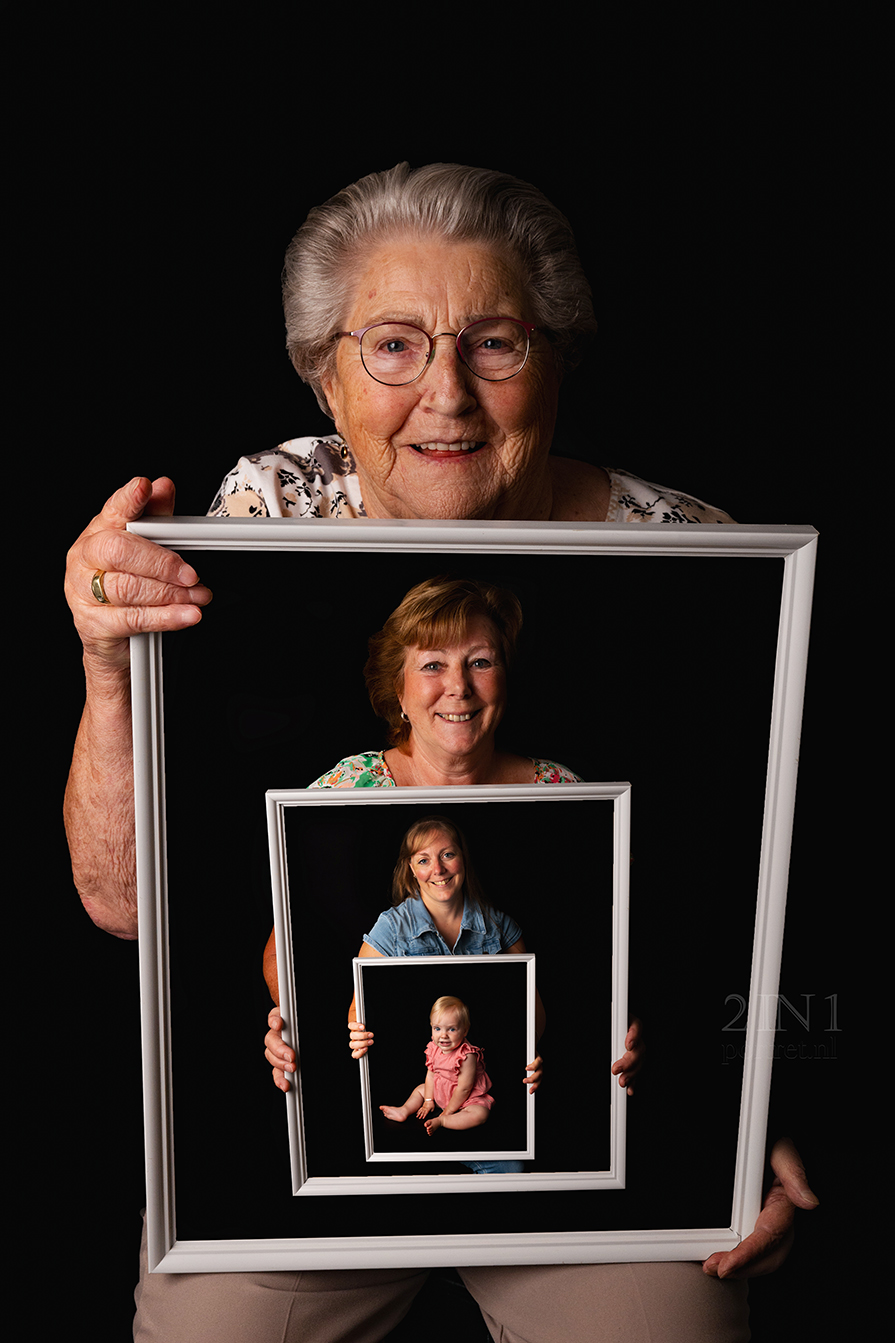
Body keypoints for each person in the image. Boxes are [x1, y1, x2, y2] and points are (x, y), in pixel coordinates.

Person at [62, 162, 816, 1341]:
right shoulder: (257, 517)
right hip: (323, 1143)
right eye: (393, 346)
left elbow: (730, 905)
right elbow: (128, 905)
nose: (447, 396)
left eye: (496, 343)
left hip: (579, 1146)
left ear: (556, 358)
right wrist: (110, 665)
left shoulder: (692, 562)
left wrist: (740, 1103)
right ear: (325, 375)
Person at [379, 994, 494, 1140]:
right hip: (442, 1092)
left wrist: (448, 1111)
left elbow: (464, 1088)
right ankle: (404, 1110)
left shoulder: (467, 1055)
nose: (443, 1035)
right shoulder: (433, 1048)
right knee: (420, 1089)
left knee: (480, 1114)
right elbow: (431, 1074)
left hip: (466, 1098)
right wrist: (428, 1100)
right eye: (437, 1028)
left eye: (451, 1029)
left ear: (465, 1030)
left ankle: (443, 1121)